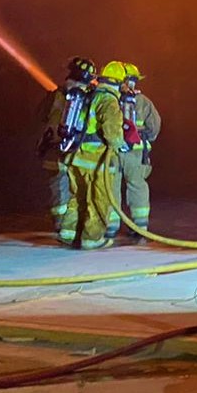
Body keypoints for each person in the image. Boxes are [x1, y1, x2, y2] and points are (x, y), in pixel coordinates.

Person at [61, 60, 129, 250]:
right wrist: (121, 145)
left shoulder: (90, 94)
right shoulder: (109, 100)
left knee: (78, 197)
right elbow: (112, 133)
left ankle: (69, 233)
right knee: (99, 198)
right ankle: (92, 238)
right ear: (119, 82)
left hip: (76, 156)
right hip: (95, 159)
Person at [37, 56, 95, 244]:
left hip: (54, 149)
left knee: (59, 190)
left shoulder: (56, 95)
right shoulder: (89, 96)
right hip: (77, 151)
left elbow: (40, 115)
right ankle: (71, 228)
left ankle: (63, 227)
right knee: (75, 189)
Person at [116, 63, 162, 241]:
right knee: (137, 186)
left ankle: (110, 227)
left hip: (113, 153)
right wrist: (146, 139)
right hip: (136, 154)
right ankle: (140, 227)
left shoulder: (111, 99)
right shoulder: (144, 102)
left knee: (111, 188)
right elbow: (155, 126)